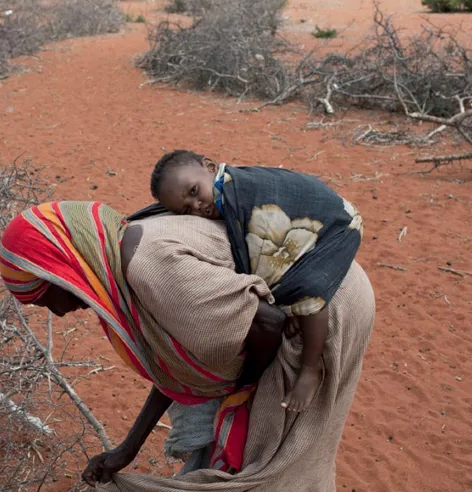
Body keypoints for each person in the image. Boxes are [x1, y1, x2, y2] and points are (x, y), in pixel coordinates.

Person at [0, 200, 375, 492]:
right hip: (307, 299)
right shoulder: (120, 257)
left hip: (320, 308)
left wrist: (241, 388)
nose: (57, 312)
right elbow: (178, 365)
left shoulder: (147, 266)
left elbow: (269, 322)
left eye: (46, 299)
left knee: (277, 464)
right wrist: (127, 449)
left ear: (62, 268)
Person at [149, 150, 363, 413]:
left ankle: (310, 367)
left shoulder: (239, 192)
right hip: (320, 215)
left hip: (337, 224)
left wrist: (286, 305)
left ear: (210, 167)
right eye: (186, 210)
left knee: (308, 291)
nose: (197, 206)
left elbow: (260, 252)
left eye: (194, 191)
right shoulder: (223, 192)